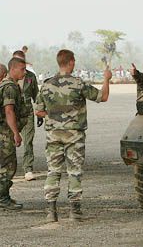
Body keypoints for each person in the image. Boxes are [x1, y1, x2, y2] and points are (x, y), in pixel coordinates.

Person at [34, 49, 112, 222]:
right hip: (74, 135)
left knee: (53, 171)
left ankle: (51, 211)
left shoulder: (46, 85)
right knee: (74, 171)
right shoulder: (78, 84)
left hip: (53, 134)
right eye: (74, 61)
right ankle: (74, 211)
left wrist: (53, 118)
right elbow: (103, 97)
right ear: (70, 62)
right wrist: (106, 79)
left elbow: (38, 111)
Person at [0, 58, 27, 210]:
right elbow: (9, 111)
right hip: (5, 133)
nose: (24, 72)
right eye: (22, 69)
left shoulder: (9, 85)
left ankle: (4, 196)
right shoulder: (10, 87)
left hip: (3, 131)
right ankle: (2, 198)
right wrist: (16, 133)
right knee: (8, 167)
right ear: (13, 69)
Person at [12, 50, 39, 181]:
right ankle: (7, 169)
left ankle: (28, 169)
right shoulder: (5, 77)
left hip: (27, 112)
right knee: (8, 141)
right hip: (11, 113)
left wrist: (40, 113)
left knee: (28, 141)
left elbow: (36, 96)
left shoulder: (30, 77)